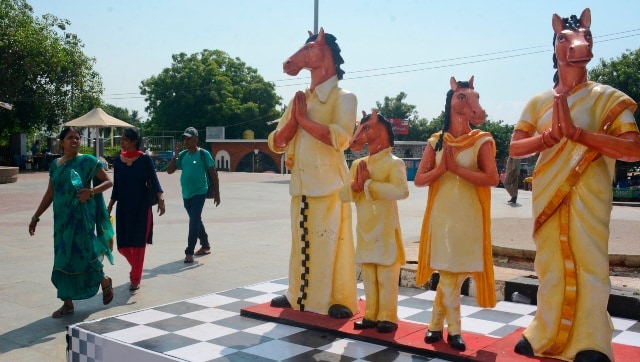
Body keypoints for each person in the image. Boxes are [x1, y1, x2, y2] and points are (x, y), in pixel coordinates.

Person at [510, 9, 640, 361]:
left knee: (591, 264)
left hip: (590, 195)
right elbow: (515, 147)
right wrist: (547, 139)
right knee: (550, 264)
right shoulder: (539, 102)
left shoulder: (608, 99)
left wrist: (581, 135)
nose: (573, 45)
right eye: (563, 39)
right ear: (555, 47)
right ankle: (544, 331)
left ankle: (591, 340)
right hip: (548, 193)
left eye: (582, 37)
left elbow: (633, 148)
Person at [267, 28, 359, 318]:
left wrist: (303, 120)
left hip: (329, 184)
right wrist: (295, 121)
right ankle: (297, 294)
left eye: (308, 49)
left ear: (322, 51)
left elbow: (341, 138)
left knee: (330, 242)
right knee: (301, 242)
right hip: (302, 185)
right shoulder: (300, 99)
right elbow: (277, 141)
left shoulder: (344, 98)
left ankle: (336, 298)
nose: (300, 56)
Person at [414, 77, 498, 351]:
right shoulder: (436, 141)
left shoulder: (481, 140)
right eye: (462, 97)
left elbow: (492, 178)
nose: (468, 103)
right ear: (452, 100)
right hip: (442, 215)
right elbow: (420, 179)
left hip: (468, 215)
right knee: (449, 274)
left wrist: (457, 169)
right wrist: (441, 170)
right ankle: (450, 330)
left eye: (472, 98)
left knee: (452, 275)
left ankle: (436, 326)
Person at [28, 126, 115, 318]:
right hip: (61, 220)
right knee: (62, 258)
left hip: (81, 217)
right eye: (70, 138)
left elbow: (108, 182)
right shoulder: (55, 165)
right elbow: (50, 193)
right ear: (61, 142)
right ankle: (67, 303)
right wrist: (36, 216)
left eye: (77, 137)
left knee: (84, 253)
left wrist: (90, 192)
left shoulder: (87, 161)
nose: (74, 141)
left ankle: (103, 279)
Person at [339, 110, 409, 333]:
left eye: (366, 128)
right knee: (368, 275)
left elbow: (401, 191)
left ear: (380, 128)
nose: (359, 134)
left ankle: (388, 316)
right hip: (366, 229)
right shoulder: (358, 163)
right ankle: (371, 314)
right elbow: (343, 195)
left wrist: (368, 185)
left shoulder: (394, 163)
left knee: (387, 277)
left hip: (386, 229)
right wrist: (355, 187)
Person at [107, 128, 165, 291]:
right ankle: (137, 266)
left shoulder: (145, 159)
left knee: (139, 243)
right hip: (123, 208)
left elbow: (154, 180)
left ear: (133, 142)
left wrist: (160, 199)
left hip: (141, 207)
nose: (122, 142)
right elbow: (116, 187)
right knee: (122, 245)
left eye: (125, 139)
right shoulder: (118, 161)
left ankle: (135, 277)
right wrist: (110, 205)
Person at [167, 127, 220, 263]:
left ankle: (189, 251)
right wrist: (176, 155)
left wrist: (217, 193)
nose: (186, 141)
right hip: (186, 193)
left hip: (200, 192)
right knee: (196, 219)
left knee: (193, 220)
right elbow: (169, 171)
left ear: (196, 139)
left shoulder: (204, 154)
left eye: (189, 138)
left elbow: (213, 174)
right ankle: (206, 245)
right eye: (185, 138)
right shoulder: (183, 155)